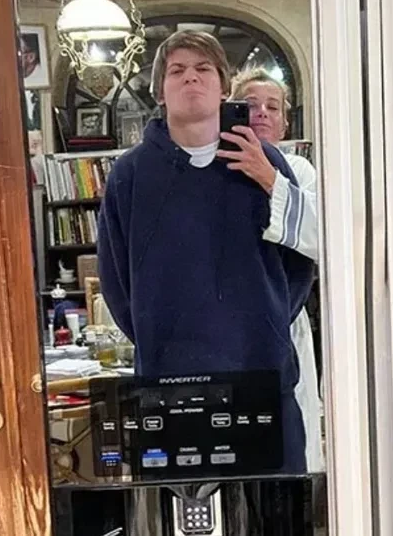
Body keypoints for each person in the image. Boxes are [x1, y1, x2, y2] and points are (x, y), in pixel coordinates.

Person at [97, 30, 314, 473]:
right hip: (169, 380)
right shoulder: (129, 175)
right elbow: (116, 279)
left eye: (203, 69)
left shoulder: (264, 161)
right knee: (184, 504)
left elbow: (298, 264)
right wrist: (157, 333)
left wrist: (270, 320)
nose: (190, 78)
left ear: (224, 87)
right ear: (160, 91)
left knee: (274, 501)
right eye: (177, 70)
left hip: (261, 370)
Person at [229, 66, 324, 472]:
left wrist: (270, 178)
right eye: (250, 105)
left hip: (283, 322)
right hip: (226, 326)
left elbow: (323, 237)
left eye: (273, 107)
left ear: (285, 122)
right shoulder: (212, 166)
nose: (262, 113)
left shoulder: (298, 170)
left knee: (288, 447)